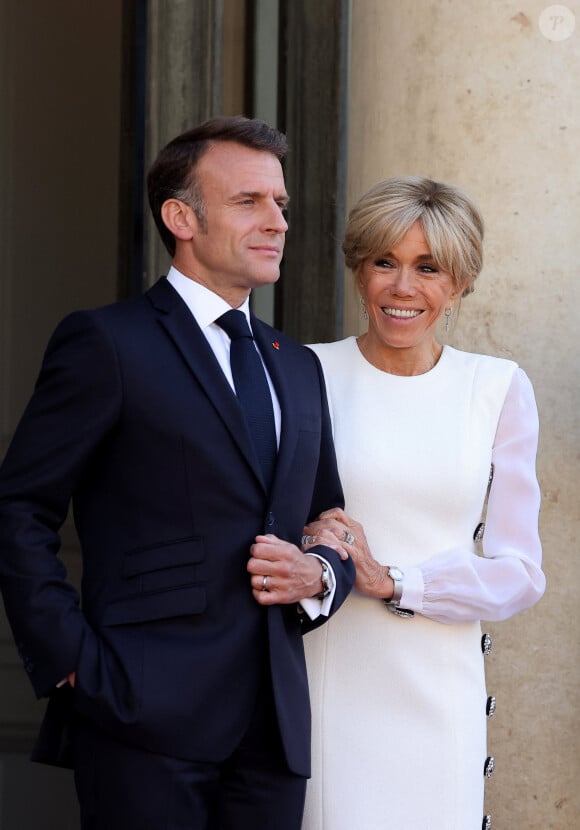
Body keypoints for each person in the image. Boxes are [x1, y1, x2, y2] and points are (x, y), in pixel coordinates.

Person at [0, 116, 355, 830]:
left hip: (275, 728)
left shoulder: (297, 364)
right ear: (180, 217)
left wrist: (320, 578)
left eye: (281, 204)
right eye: (249, 201)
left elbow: (329, 520)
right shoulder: (108, 342)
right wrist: (71, 657)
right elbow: (18, 507)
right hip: (141, 713)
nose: (277, 221)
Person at [300, 176, 546, 830]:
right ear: (358, 270)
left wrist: (396, 581)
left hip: (439, 692)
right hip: (328, 681)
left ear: (460, 283)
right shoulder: (304, 374)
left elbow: (520, 571)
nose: (402, 287)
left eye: (428, 268)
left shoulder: (496, 390)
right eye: (385, 262)